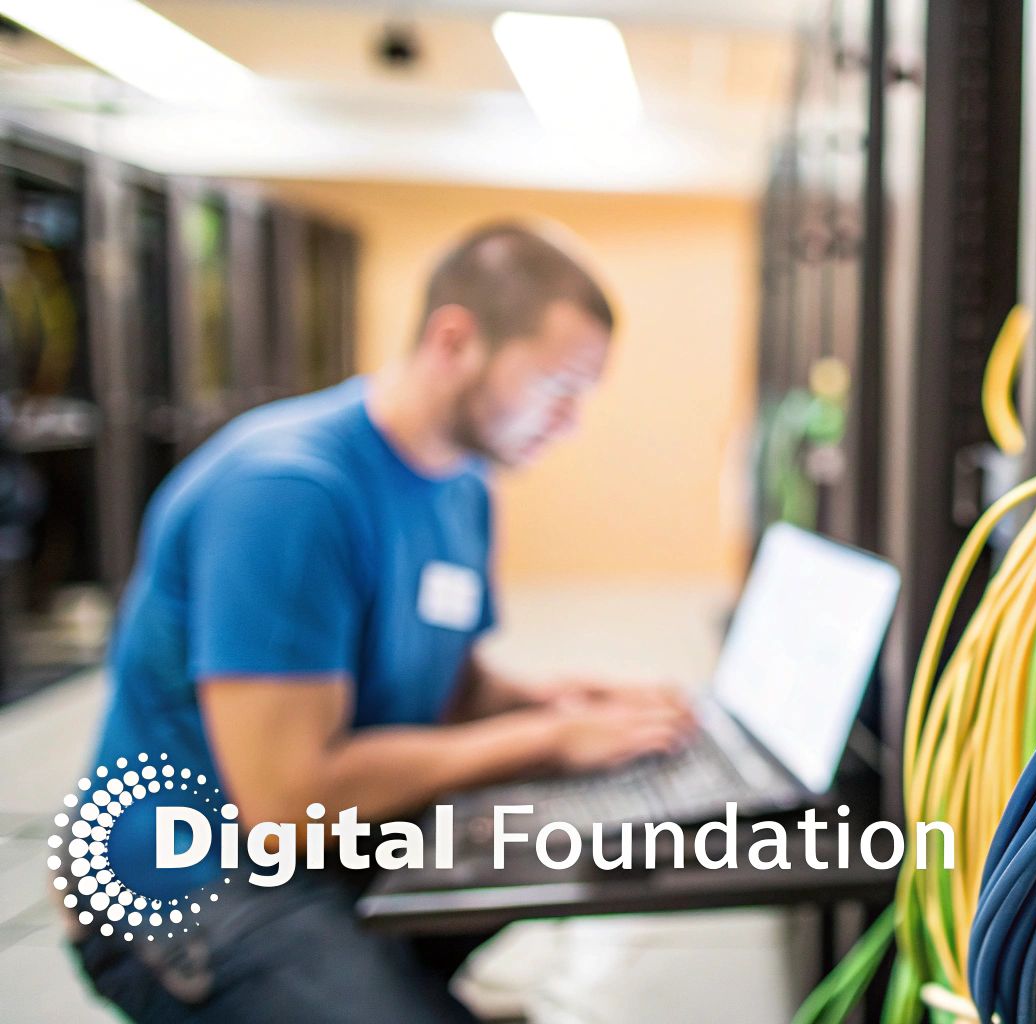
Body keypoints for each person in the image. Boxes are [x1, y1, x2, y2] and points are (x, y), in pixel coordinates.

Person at [67, 222, 697, 1021]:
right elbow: (286, 803)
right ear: (454, 339)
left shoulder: (461, 485)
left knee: (568, 834)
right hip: (189, 882)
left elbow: (451, 683)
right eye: (556, 387)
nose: (569, 423)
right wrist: (546, 739)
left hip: (333, 843)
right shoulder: (289, 493)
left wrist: (562, 703)